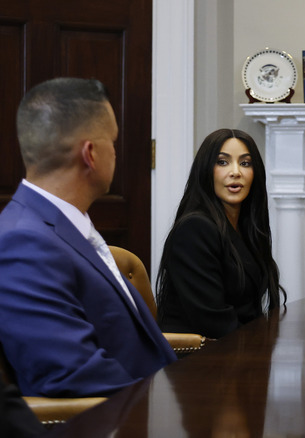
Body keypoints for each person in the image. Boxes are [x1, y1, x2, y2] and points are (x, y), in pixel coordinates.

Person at [0, 78, 176, 397]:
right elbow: (73, 378)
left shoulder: (64, 227)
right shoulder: (22, 243)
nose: (116, 152)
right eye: (113, 141)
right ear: (91, 154)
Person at [156, 129, 285, 339]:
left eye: (245, 163)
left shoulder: (247, 229)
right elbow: (213, 322)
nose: (235, 172)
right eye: (222, 162)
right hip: (198, 360)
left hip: (235, 351)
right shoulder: (194, 229)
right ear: (206, 170)